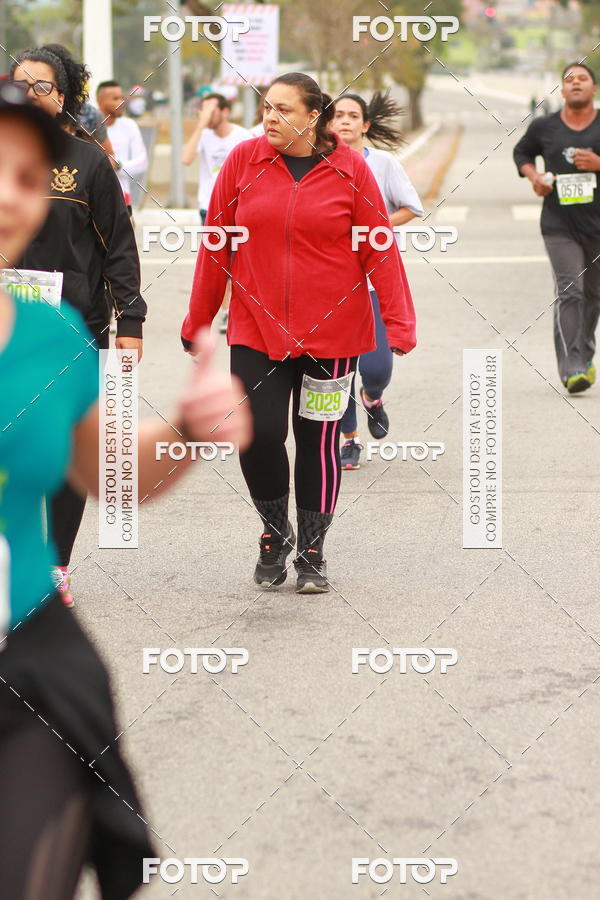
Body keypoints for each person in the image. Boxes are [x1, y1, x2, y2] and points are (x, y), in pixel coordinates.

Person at [0, 79, 250, 900]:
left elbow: (105, 468)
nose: (10, 194)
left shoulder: (48, 331)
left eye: (30, 176)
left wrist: (188, 431)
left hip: (26, 658)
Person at [181, 72, 416, 593]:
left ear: (314, 116)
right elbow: (215, 243)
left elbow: (379, 245)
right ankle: (273, 531)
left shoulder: (352, 169)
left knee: (319, 440)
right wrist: (198, 319)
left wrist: (399, 321)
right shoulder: (242, 161)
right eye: (266, 106)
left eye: (284, 109)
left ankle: (312, 547)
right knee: (258, 433)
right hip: (256, 330)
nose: (270, 116)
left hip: (333, 335)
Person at [10, 44, 146, 606]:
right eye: (19, 85)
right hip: (5, 327)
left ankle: (55, 567)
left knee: (65, 450)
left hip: (75, 327)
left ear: (62, 97)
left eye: (41, 86)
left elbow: (118, 245)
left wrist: (130, 321)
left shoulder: (86, 161)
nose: (30, 95)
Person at [331, 91, 424, 470]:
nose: (345, 122)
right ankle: (349, 439)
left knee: (375, 369)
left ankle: (373, 397)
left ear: (365, 125)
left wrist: (375, 228)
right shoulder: (319, 163)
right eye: (337, 115)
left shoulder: (383, 164)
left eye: (353, 116)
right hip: (331, 285)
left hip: (373, 281)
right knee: (337, 374)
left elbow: (411, 207)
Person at [513, 62, 600, 394]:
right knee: (570, 291)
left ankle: (585, 352)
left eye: (583, 79)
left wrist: (598, 163)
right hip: (558, 224)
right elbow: (521, 152)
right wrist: (534, 177)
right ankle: (572, 366)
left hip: (597, 225)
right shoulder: (544, 127)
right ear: (562, 91)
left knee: (594, 296)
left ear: (593, 89)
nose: (575, 83)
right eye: (569, 80)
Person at [182, 93, 251, 333]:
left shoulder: (242, 136)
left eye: (211, 110)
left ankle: (231, 310)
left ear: (225, 112)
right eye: (202, 111)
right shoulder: (205, 135)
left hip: (239, 206)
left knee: (238, 261)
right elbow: (186, 158)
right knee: (217, 262)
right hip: (209, 207)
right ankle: (223, 311)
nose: (206, 115)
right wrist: (201, 124)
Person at [96, 80, 148, 215]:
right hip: (93, 200)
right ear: (101, 101)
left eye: (122, 98)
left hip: (122, 200)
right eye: (115, 98)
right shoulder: (87, 127)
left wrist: (118, 165)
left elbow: (142, 162)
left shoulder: (129, 125)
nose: (121, 102)